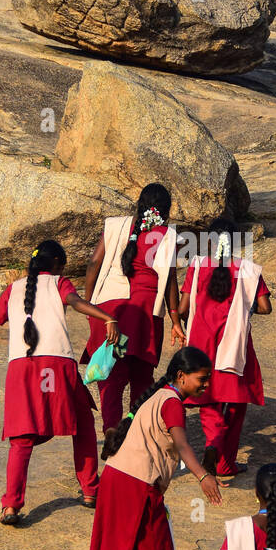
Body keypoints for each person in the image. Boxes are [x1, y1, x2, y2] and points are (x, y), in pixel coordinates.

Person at [84, 347, 222, 550]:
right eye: (201, 379)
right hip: (138, 485)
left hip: (116, 479)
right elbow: (182, 444)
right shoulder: (172, 402)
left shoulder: (155, 398)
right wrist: (203, 476)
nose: (205, 386)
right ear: (181, 376)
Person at [0, 240, 120, 524]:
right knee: (82, 423)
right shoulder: (59, 283)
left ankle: (11, 506)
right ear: (56, 263)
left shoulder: (13, 288)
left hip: (22, 368)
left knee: (22, 438)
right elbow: (77, 303)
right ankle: (90, 490)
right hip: (57, 363)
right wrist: (107, 317)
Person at [177, 214, 271, 484]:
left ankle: (211, 446)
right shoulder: (247, 268)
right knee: (234, 405)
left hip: (200, 346)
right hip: (234, 345)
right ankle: (225, 462)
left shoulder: (197, 266)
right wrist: (243, 306)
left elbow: (183, 309)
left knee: (207, 402)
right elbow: (265, 307)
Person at [83, 185, 185, 432]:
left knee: (112, 375)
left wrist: (89, 305)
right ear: (166, 210)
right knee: (141, 377)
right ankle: (136, 432)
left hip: (111, 312)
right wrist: (175, 321)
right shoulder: (167, 235)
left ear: (140, 204)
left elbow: (93, 264)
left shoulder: (116, 225)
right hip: (144, 316)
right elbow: (170, 281)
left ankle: (111, 431)